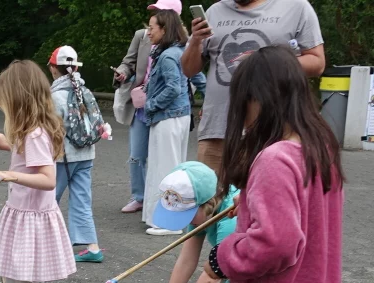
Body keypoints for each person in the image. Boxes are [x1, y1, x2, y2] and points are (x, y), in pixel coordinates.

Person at [204, 46, 344, 283]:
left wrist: (220, 258)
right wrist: (252, 198)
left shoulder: (275, 158)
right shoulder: (319, 144)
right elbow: (304, 208)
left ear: (256, 98)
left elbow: (275, 244)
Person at [0, 60, 76, 283]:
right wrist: (7, 146)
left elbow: (48, 179)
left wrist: (9, 176)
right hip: (23, 213)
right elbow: (29, 160)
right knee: (15, 278)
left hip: (29, 216)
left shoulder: (35, 133)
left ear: (19, 99)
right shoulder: (30, 132)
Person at [181, 0, 325, 174]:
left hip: (272, 133)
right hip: (216, 132)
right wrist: (196, 40)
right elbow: (188, 70)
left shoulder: (296, 7)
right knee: (210, 199)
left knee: (267, 196)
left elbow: (317, 62)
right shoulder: (214, 11)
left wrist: (264, 62)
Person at [113, 0, 180, 214]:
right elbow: (129, 62)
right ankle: (139, 197)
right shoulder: (141, 36)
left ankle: (165, 200)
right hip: (141, 103)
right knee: (137, 154)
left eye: (159, 12)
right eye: (154, 11)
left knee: (164, 156)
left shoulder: (181, 44)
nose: (153, 16)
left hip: (166, 107)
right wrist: (123, 72)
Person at [47, 45, 103, 263]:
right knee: (82, 200)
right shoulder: (84, 90)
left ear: (53, 68)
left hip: (64, 157)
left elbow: (51, 130)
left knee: (48, 199)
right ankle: (92, 247)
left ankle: (44, 243)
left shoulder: (55, 95)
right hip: (86, 153)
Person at [142, 9, 192, 236]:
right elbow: (197, 78)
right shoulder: (181, 51)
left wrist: (150, 105)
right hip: (179, 116)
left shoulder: (168, 55)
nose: (148, 32)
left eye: (152, 28)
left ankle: (170, 222)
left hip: (168, 117)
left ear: (164, 29)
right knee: (173, 166)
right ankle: (166, 218)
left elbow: (173, 87)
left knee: (166, 169)